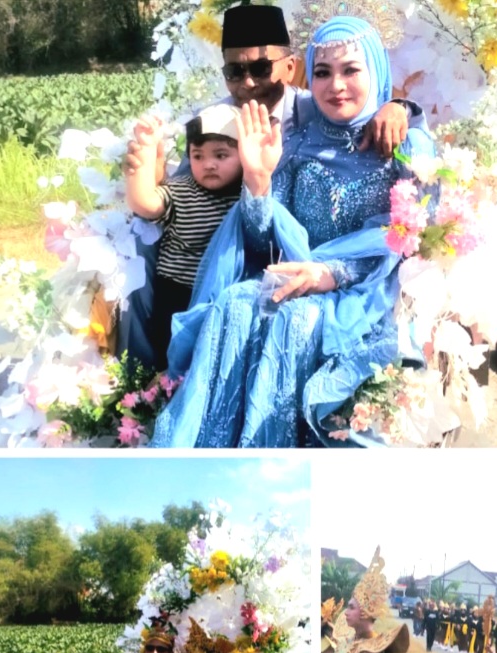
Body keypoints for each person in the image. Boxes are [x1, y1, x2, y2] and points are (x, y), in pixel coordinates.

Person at [150, 16, 438, 448]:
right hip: (291, 276)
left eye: (351, 70)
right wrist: (258, 182)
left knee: (298, 320)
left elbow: (402, 237)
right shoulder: (297, 138)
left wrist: (329, 275)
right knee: (234, 303)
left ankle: (271, 453)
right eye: (322, 72)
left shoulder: (403, 144)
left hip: (360, 288)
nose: (335, 85)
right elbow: (260, 239)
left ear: (376, 70)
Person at [119, 3, 421, 370]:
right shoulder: (217, 119)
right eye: (235, 71)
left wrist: (399, 106)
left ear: (292, 68)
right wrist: (149, 171)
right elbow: (184, 190)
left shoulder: (317, 109)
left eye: (261, 68)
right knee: (138, 249)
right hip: (230, 244)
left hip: (301, 254)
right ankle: (140, 377)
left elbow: (360, 101)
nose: (247, 82)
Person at [125, 105, 243, 371]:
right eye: (197, 156)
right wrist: (145, 152)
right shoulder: (182, 192)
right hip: (176, 294)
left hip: (220, 297)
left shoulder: (247, 195)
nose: (208, 164)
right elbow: (144, 203)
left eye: (221, 155)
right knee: (170, 364)